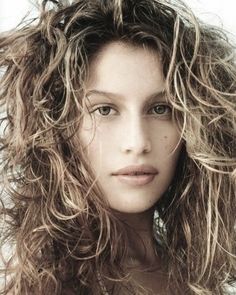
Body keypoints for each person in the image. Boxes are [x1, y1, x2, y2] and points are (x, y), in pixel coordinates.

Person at [0, 0, 235, 294]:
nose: (137, 142)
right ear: (56, 128)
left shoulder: (195, 272)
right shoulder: (51, 284)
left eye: (161, 108)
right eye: (105, 110)